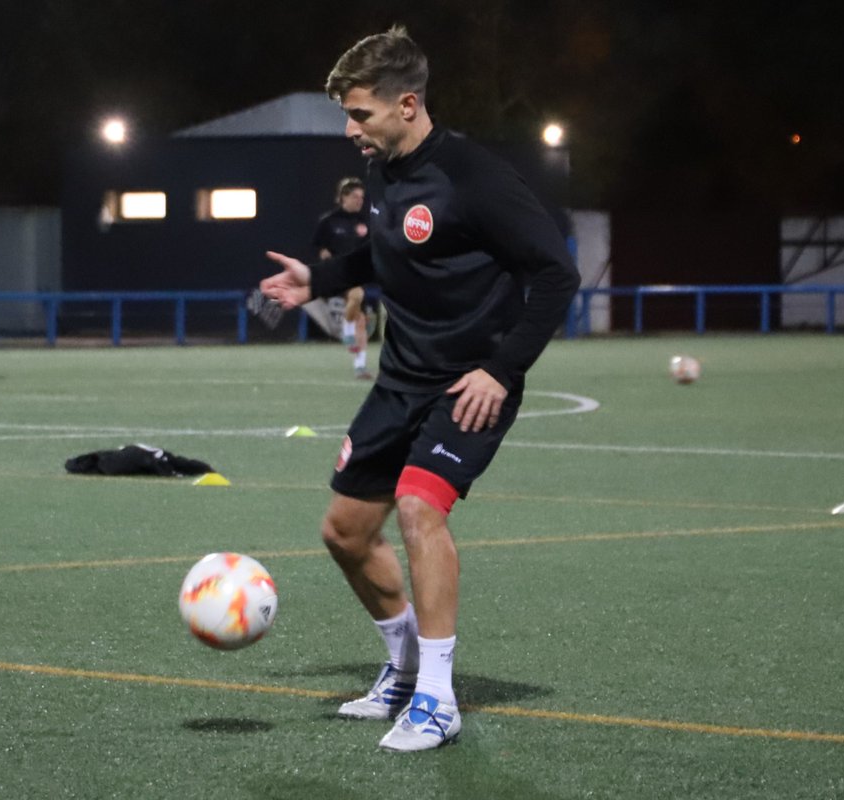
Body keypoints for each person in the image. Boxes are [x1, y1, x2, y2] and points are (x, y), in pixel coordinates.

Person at [261, 26, 578, 752]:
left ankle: (438, 700)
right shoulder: (383, 170)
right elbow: (386, 251)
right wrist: (320, 278)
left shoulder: (474, 176)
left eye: (360, 114)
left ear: (407, 104)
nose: (350, 130)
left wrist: (503, 370)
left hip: (469, 384)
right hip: (400, 378)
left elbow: (557, 273)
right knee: (344, 532)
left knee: (417, 507)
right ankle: (405, 669)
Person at [311, 177, 374, 379]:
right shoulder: (328, 221)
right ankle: (346, 329)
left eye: (362, 197)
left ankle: (360, 367)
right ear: (343, 197)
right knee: (357, 295)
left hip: (357, 274)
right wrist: (325, 258)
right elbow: (320, 249)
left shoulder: (365, 221)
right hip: (336, 274)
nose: (359, 201)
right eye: (355, 196)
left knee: (361, 320)